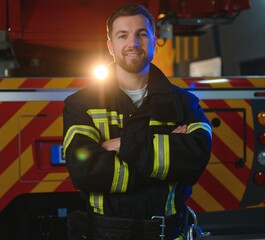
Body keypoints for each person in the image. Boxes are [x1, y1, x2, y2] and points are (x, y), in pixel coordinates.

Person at [62, 3, 212, 240]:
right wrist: (164, 164)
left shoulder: (185, 103)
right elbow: (85, 172)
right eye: (123, 35)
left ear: (154, 41)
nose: (133, 43)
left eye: (142, 34)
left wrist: (121, 145)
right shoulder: (81, 104)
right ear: (110, 46)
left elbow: (194, 160)